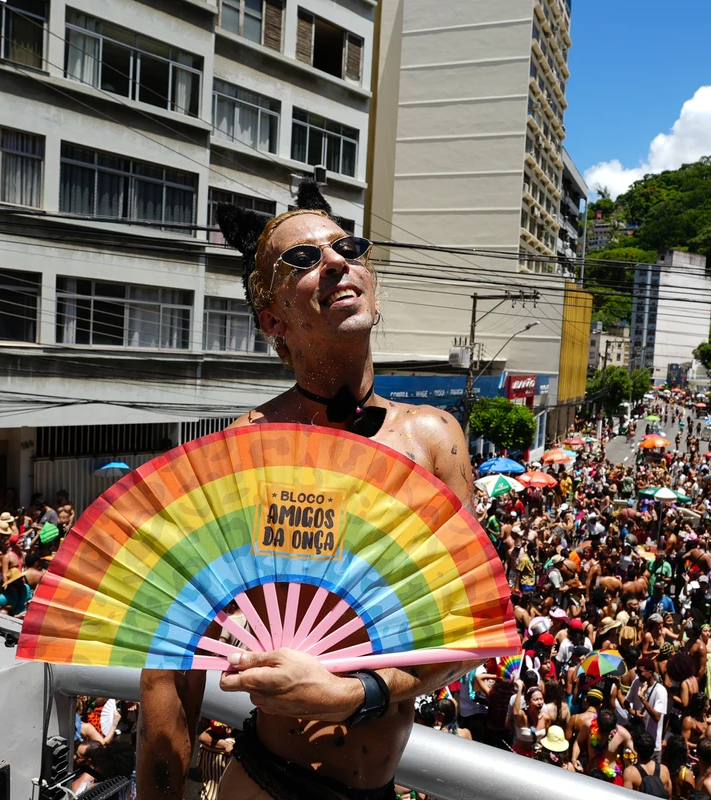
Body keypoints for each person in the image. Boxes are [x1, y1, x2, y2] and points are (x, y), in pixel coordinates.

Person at [139, 184, 479, 800]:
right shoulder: (245, 449)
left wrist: (356, 693)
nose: (335, 262)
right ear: (273, 321)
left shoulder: (434, 439)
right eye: (302, 259)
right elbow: (171, 667)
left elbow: (471, 628)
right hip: (268, 783)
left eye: (348, 247)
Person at [624, 657, 669, 764]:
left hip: (652, 745)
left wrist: (643, 699)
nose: (638, 674)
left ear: (650, 673)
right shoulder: (636, 683)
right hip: (635, 742)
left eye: (640, 672)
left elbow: (657, 717)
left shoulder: (660, 691)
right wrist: (633, 712)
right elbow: (626, 702)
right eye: (637, 672)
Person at [624, 730, 671, 798]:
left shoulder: (630, 772)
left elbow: (626, 797)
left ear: (635, 749)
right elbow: (669, 795)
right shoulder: (664, 770)